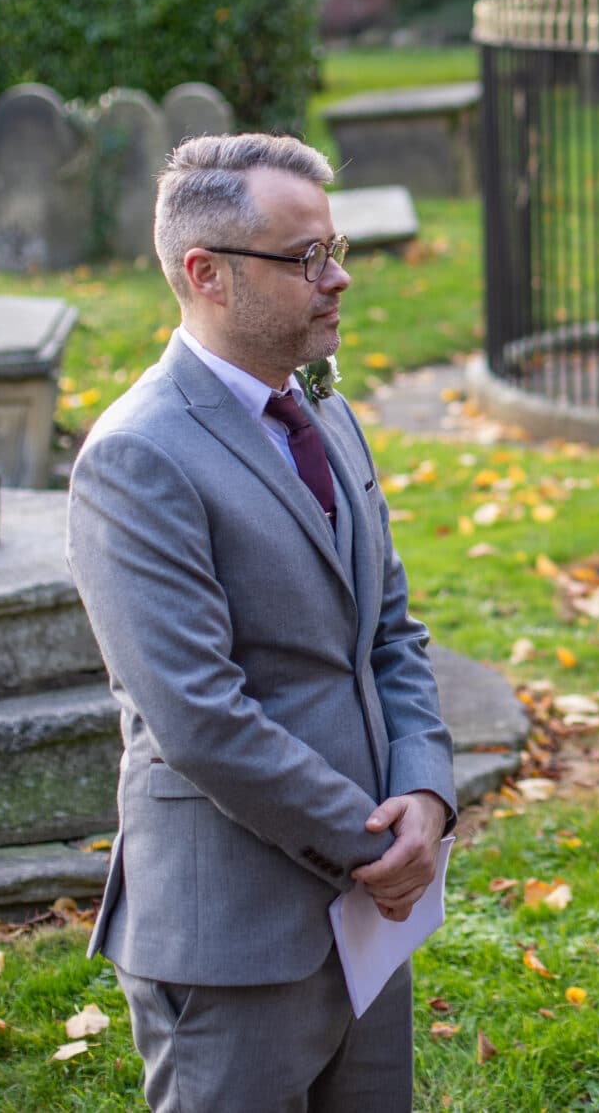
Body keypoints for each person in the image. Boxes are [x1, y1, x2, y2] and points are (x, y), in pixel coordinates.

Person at [66, 134, 454, 1112]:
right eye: (306, 257)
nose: (339, 279)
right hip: (232, 934)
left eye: (336, 250)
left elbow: (391, 632)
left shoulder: (326, 413)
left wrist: (425, 791)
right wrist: (370, 847)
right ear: (207, 274)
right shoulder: (138, 457)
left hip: (372, 916)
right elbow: (199, 716)